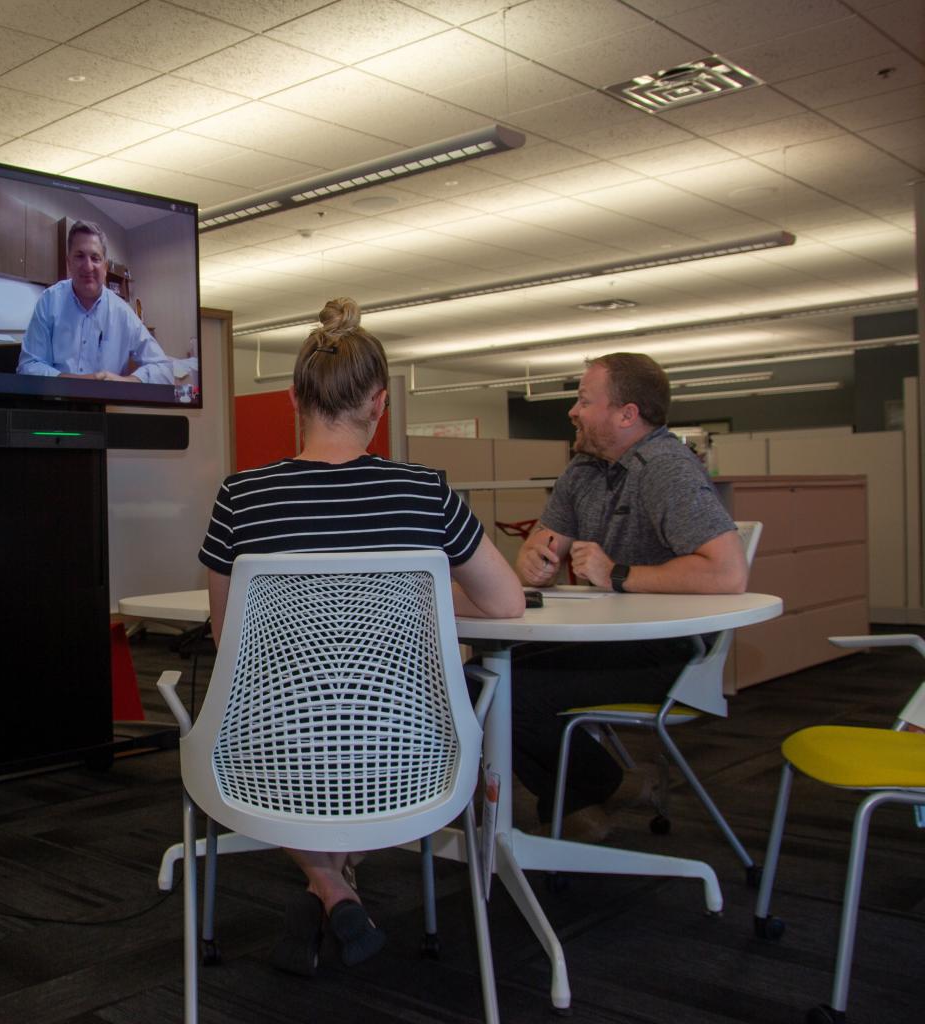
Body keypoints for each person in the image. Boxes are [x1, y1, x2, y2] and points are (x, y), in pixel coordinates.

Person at [198, 297, 525, 976]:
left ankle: (327, 886)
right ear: (380, 403)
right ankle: (338, 884)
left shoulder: (241, 497)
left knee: (298, 749)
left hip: (271, 756)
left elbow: (228, 638)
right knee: (361, 757)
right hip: (409, 753)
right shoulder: (424, 492)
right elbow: (507, 602)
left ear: (293, 396)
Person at [513, 352, 748, 840]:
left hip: (667, 651)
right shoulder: (584, 469)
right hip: (605, 640)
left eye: (583, 400)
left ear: (627, 414)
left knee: (506, 692)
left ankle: (593, 789)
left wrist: (617, 572)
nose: (572, 411)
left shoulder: (666, 468)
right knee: (481, 679)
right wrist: (535, 559)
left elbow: (727, 572)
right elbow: (540, 545)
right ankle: (592, 793)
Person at [15, 220, 173, 384]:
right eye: (80, 256)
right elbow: (28, 366)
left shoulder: (123, 312)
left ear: (105, 267)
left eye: (95, 258)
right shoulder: (49, 300)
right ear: (69, 263)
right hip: (57, 400)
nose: (88, 266)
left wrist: (126, 381)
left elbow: (163, 369)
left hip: (107, 404)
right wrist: (81, 383)